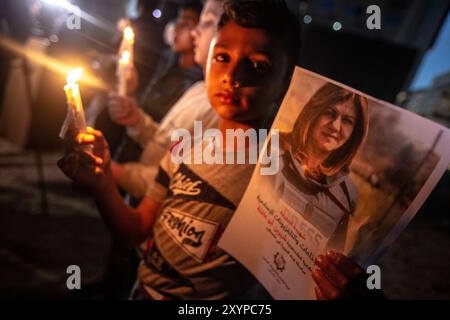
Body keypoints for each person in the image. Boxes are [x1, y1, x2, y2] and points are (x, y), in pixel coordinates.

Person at [59, 0, 375, 300]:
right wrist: (102, 183)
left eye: (257, 66)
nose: (232, 76)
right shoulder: (185, 145)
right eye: (222, 57)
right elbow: (137, 228)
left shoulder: (279, 175)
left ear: (285, 84)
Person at [108, 0, 224, 199]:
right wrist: (135, 116)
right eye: (178, 21)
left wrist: (113, 171)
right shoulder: (190, 83)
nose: (192, 31)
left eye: (204, 23)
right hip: (137, 177)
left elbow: (179, 173)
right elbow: (166, 138)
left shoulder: (214, 102)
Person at [97, 1, 203, 162]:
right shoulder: (167, 60)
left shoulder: (196, 85)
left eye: (187, 23)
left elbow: (167, 128)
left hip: (152, 158)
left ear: (200, 32)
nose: (178, 27)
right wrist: (132, 88)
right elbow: (145, 104)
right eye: (178, 21)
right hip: (129, 145)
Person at [275, 83, 369, 252]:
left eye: (347, 121)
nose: (335, 126)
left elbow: (332, 255)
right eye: (329, 113)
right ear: (313, 113)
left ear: (356, 133)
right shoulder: (270, 148)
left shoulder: (349, 194)